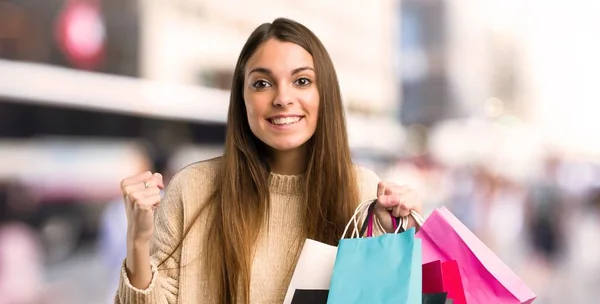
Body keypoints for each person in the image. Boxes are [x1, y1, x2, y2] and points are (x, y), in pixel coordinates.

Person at [115, 18, 423, 304]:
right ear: (241, 97)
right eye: (262, 83)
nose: (282, 98)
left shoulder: (363, 191)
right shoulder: (193, 190)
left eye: (302, 81)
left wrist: (396, 232)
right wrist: (138, 242)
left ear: (324, 94)